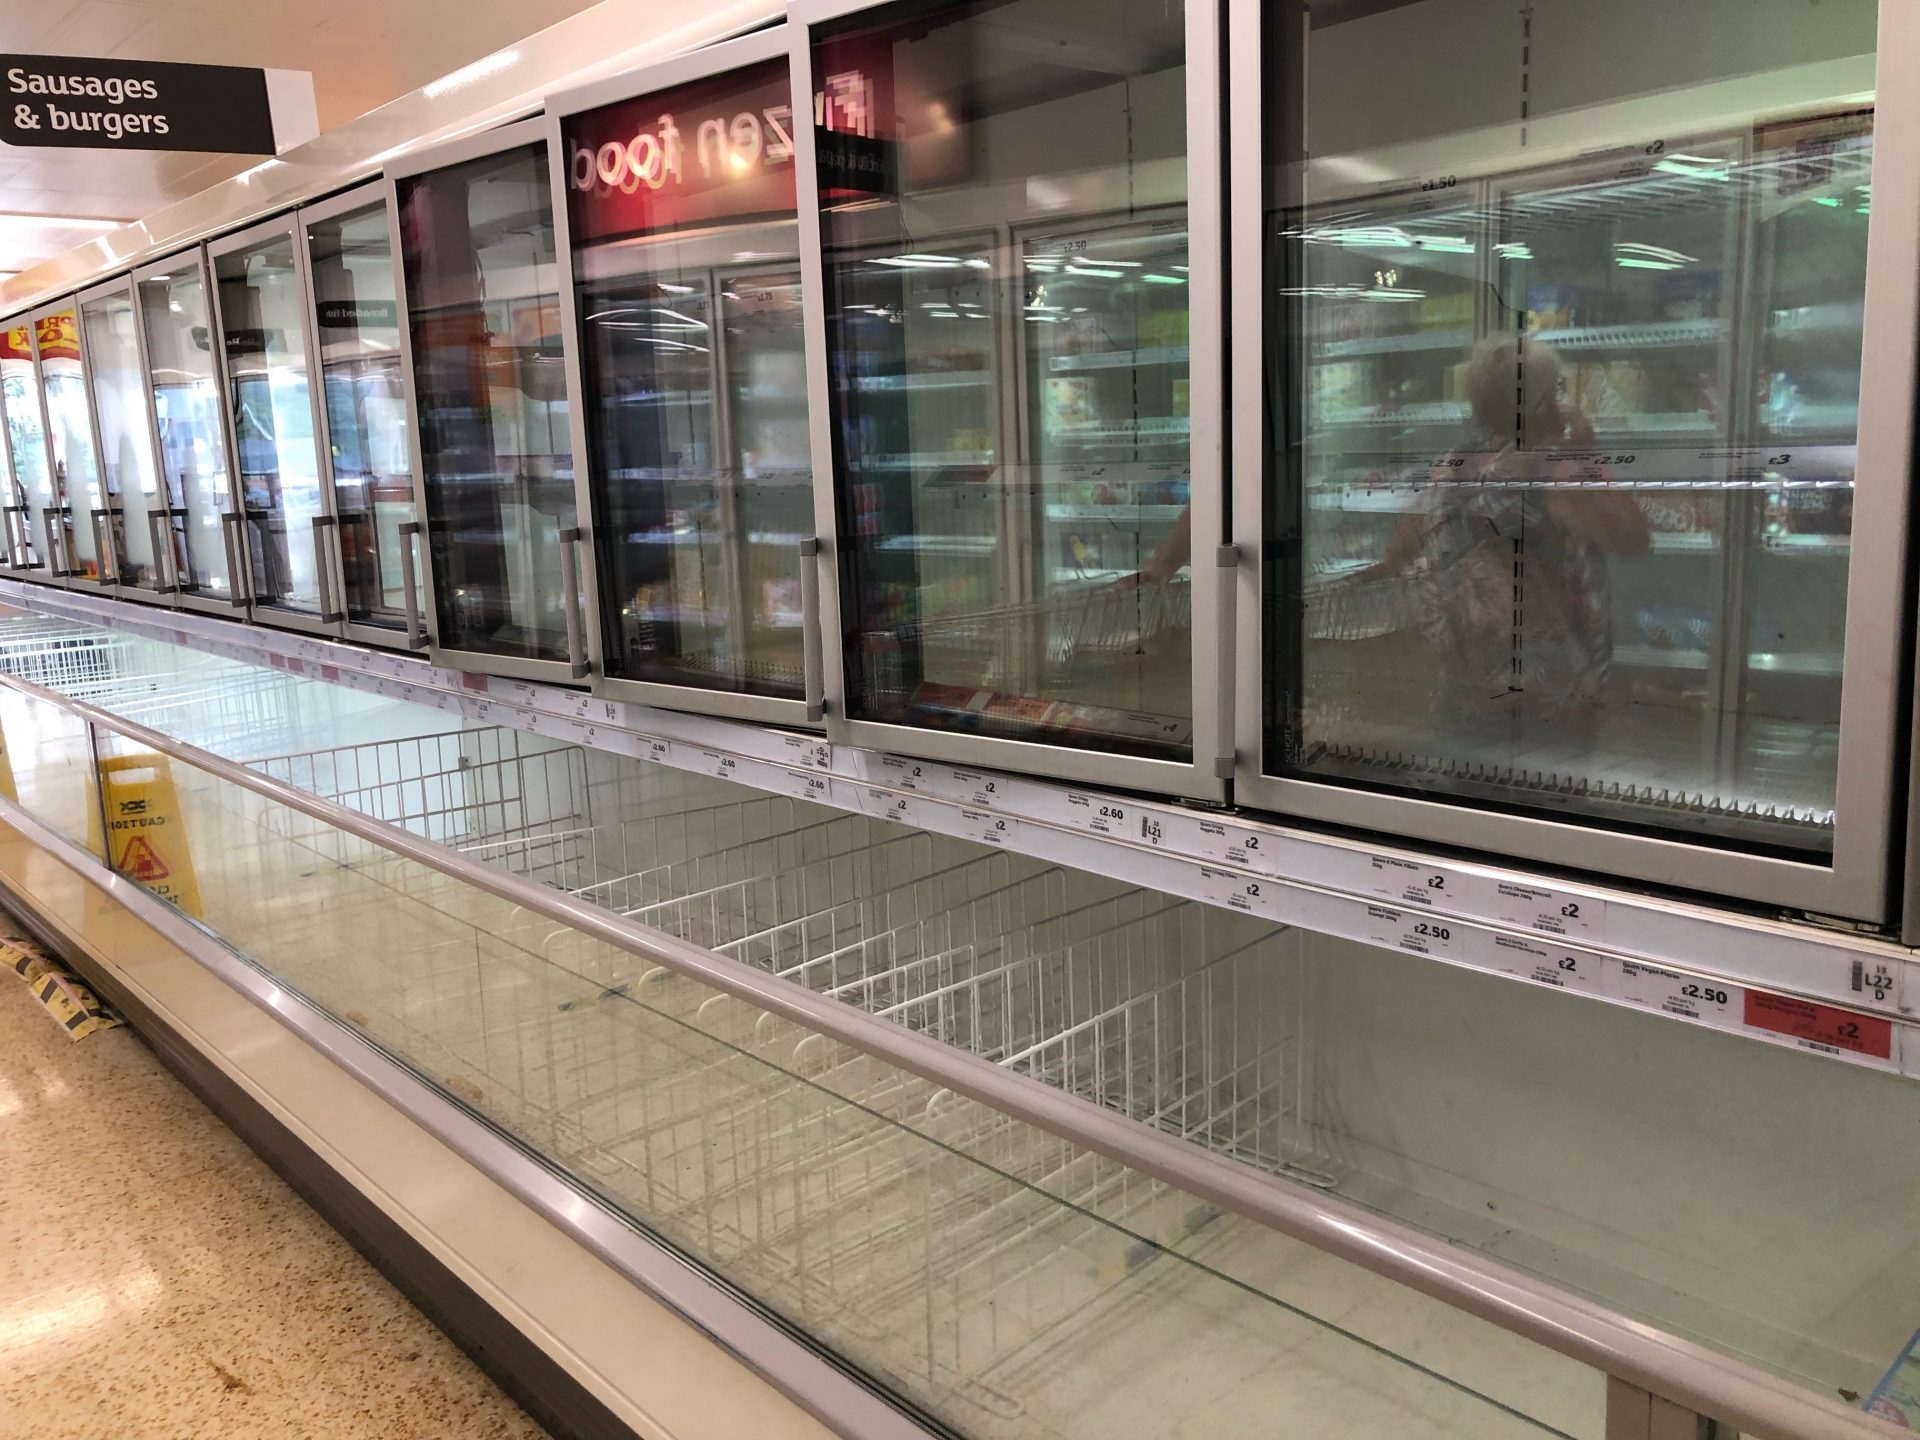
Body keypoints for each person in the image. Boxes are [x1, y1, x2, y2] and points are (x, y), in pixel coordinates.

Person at [1363, 334, 1650, 746]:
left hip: (1464, 672)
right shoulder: (1556, 471)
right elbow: (1632, 537)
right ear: (1543, 403)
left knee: (1468, 790)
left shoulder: (1452, 464)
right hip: (1545, 685)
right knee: (1547, 794)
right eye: (1558, 389)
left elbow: (1400, 550)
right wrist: (1590, 454)